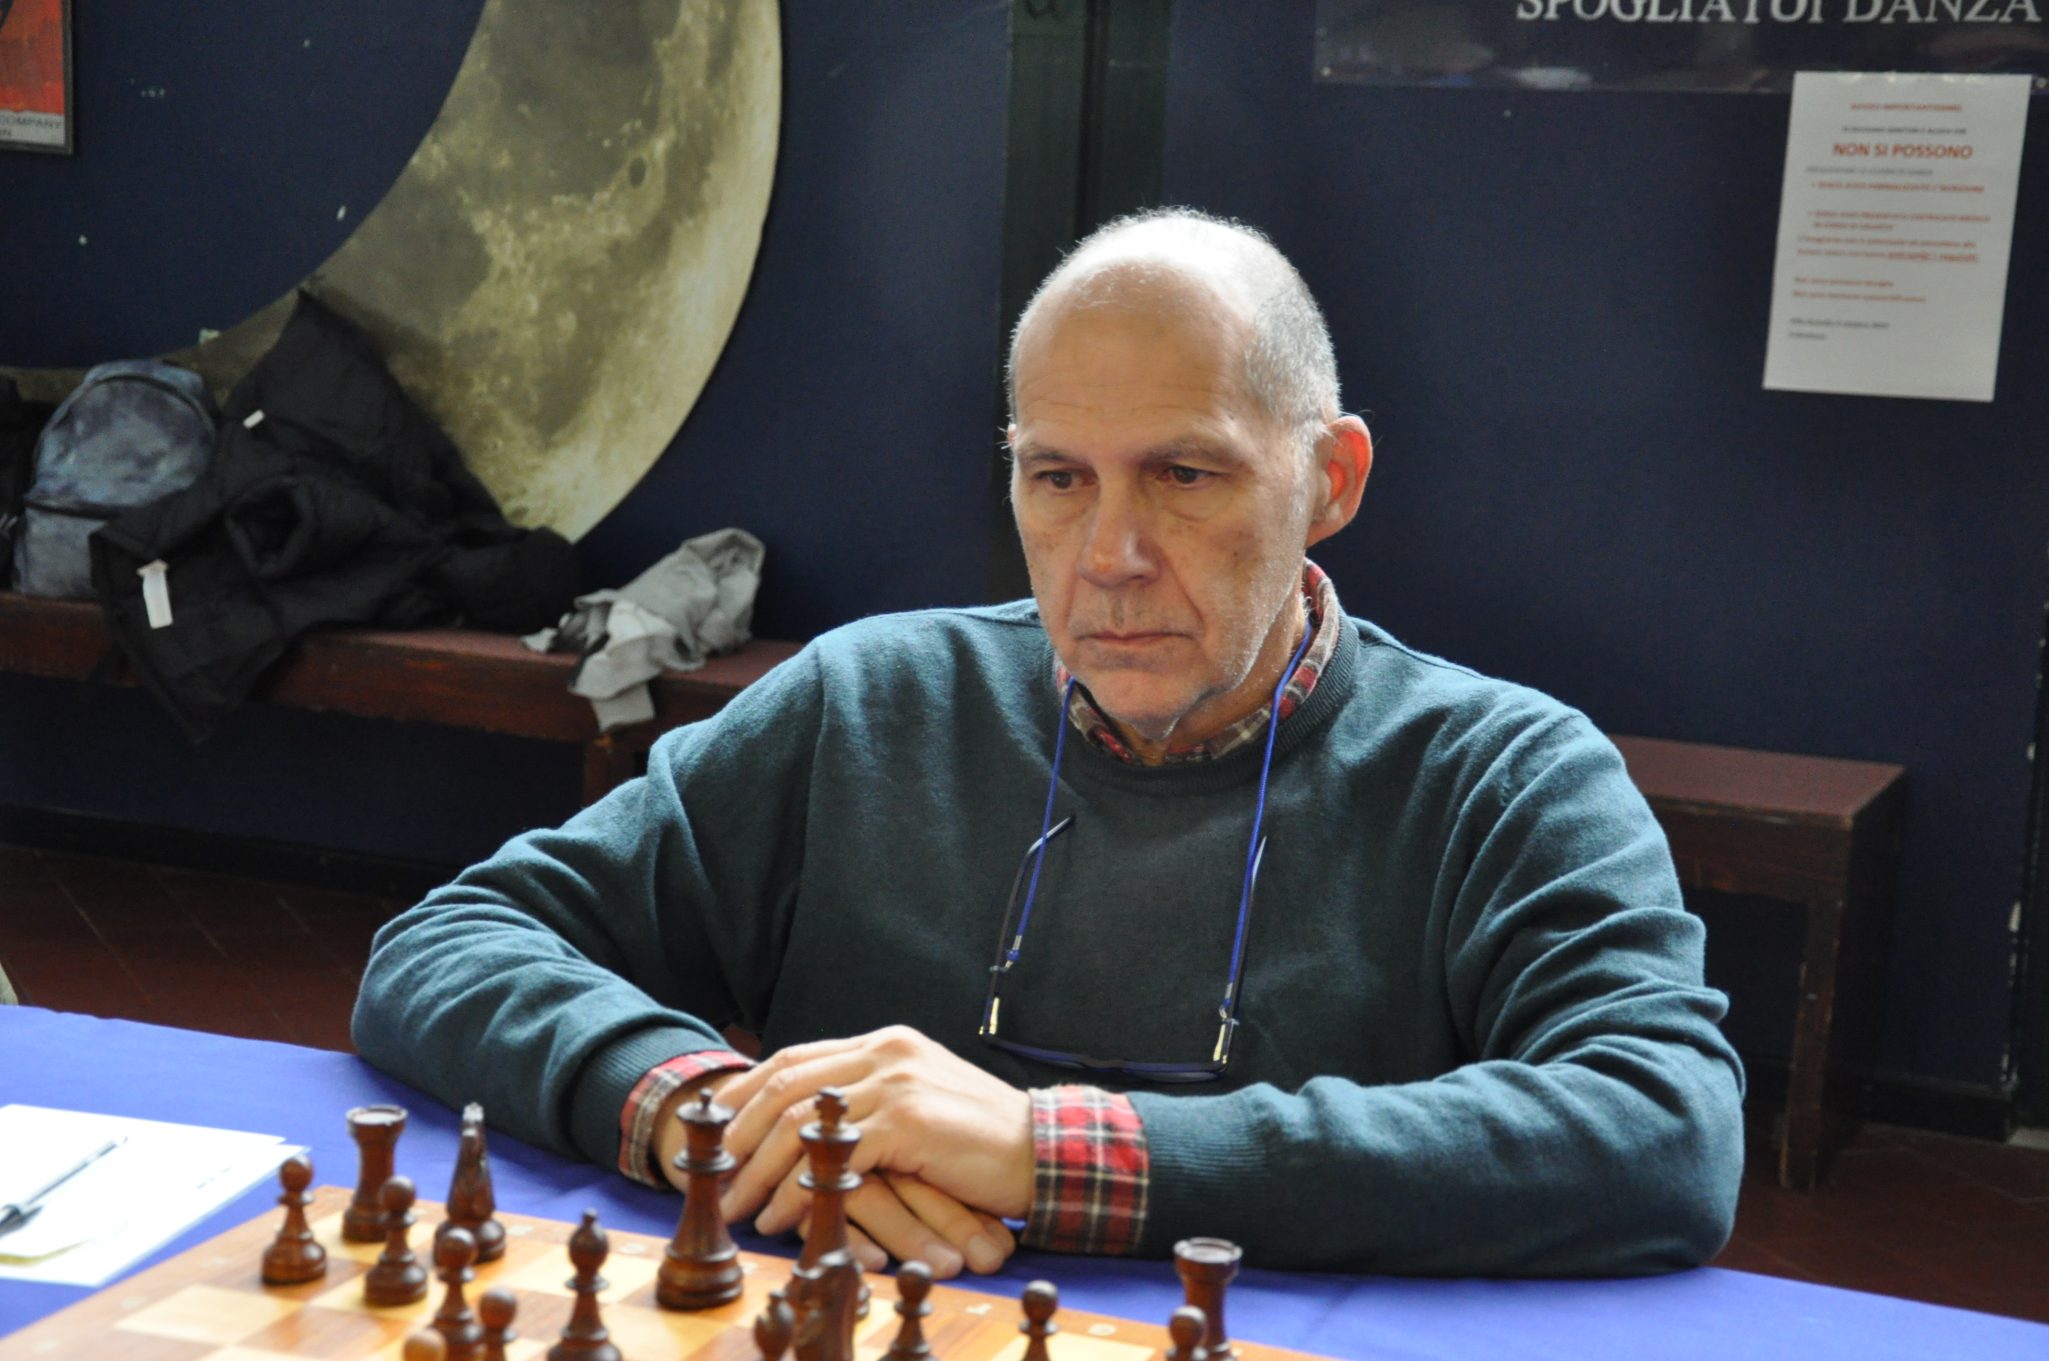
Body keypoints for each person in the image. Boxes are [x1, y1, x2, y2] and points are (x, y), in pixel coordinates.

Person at [355, 208, 1744, 1280]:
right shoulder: (865, 704)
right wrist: (705, 1114)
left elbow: (1661, 1130)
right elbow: (447, 945)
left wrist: (1046, 1151)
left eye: (1185, 476)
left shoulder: (1505, 774)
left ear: (1329, 481)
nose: (1111, 556)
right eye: (1056, 478)